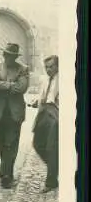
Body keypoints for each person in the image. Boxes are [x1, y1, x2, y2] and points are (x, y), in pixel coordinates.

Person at [0, 43, 29, 189]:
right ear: (4, 55)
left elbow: (22, 87)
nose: (9, 58)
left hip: (14, 113)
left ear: (15, 57)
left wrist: (2, 85)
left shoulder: (23, 69)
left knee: (11, 143)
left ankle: (7, 175)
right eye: (7, 55)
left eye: (13, 56)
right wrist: (10, 85)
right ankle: (5, 169)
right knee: (2, 142)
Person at [29, 55, 59, 193]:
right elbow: (43, 97)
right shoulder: (45, 80)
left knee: (51, 148)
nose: (48, 69)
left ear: (57, 66)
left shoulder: (63, 80)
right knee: (37, 143)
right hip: (43, 113)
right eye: (46, 67)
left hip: (55, 115)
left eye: (51, 66)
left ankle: (51, 182)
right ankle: (56, 167)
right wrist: (36, 102)